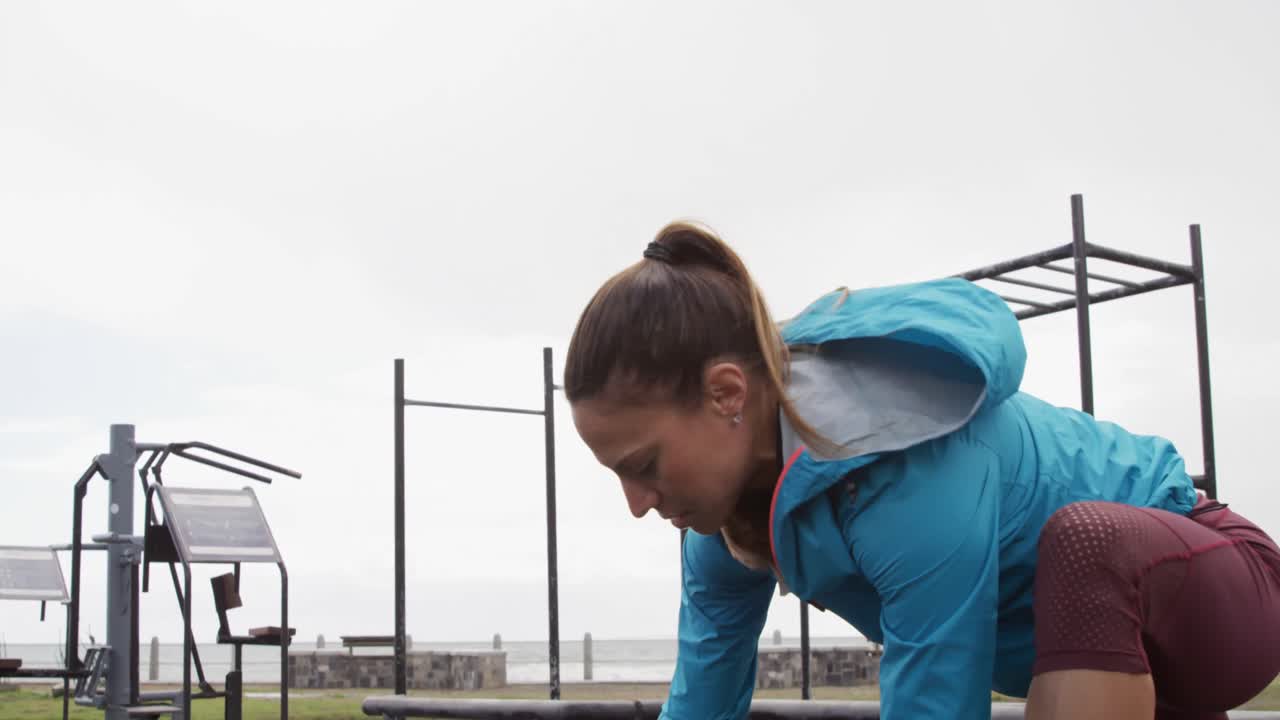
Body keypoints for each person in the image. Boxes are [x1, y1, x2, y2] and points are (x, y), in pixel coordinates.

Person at [563, 221, 1280, 720]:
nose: (636, 502)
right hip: (1122, 685)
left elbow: (934, 700)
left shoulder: (904, 470)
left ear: (726, 394)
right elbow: (700, 706)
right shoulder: (721, 536)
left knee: (1081, 541)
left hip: (1216, 592)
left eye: (644, 465)